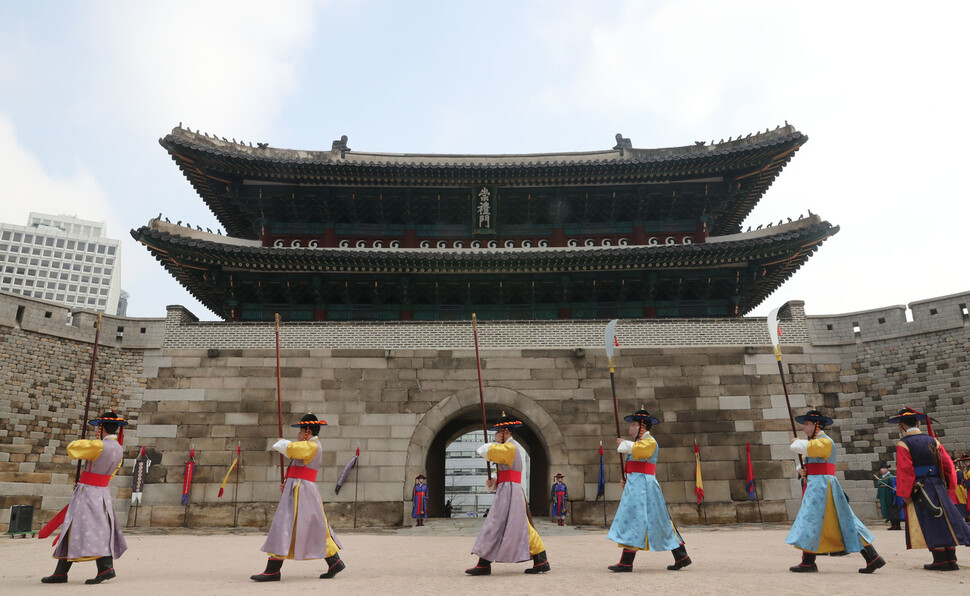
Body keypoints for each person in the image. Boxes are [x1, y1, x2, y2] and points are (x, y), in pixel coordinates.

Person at [786, 409, 885, 574]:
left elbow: (802, 447)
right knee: (824, 520)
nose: (804, 427)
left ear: (817, 425)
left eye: (807, 424)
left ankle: (809, 562)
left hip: (823, 486)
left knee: (815, 519)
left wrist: (796, 442)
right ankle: (872, 557)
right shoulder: (816, 442)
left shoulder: (825, 441)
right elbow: (806, 460)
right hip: (817, 484)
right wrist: (801, 470)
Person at [251, 413, 344, 582]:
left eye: (300, 432)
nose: (298, 435)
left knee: (283, 524)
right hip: (300, 490)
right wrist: (287, 482)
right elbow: (298, 468)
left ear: (307, 432)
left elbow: (292, 450)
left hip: (302, 492)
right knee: (316, 527)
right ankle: (334, 561)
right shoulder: (310, 446)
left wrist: (282, 442)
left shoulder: (312, 445)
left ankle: (273, 570)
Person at [41, 411, 129, 584]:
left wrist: (87, 480)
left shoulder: (98, 445)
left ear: (102, 428)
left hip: (88, 493)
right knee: (80, 526)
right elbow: (110, 473)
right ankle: (62, 572)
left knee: (81, 526)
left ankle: (105, 567)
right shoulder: (119, 448)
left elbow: (73, 449)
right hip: (101, 492)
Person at [606, 407, 691, 573]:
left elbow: (638, 451)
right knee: (655, 519)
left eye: (634, 424)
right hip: (638, 484)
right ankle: (681, 555)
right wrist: (627, 478)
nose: (631, 427)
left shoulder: (649, 442)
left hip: (644, 486)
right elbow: (635, 462)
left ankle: (626, 562)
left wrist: (623, 444)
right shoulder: (639, 443)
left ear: (641, 427)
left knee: (637, 518)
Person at [465, 412, 550, 575]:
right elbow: (503, 470)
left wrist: (488, 447)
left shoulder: (510, 447)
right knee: (519, 525)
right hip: (508, 489)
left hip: (510, 491)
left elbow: (486, 450)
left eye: (498, 432)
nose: (496, 435)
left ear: (506, 432)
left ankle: (484, 563)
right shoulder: (508, 448)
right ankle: (541, 559)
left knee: (495, 523)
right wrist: (494, 481)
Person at [889, 407, 970, 571]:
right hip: (939, 485)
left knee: (931, 520)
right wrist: (950, 485)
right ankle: (951, 558)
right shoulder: (934, 441)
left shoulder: (904, 443)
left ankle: (940, 560)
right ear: (918, 422)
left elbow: (905, 470)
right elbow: (947, 465)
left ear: (902, 425)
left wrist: (905, 493)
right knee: (946, 519)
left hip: (921, 487)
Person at [874, 463, 900, 530]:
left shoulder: (890, 476)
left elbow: (894, 485)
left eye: (884, 468)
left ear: (887, 469)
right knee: (886, 510)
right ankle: (892, 524)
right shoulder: (881, 477)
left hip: (889, 495)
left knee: (892, 509)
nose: (882, 469)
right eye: (881, 468)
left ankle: (896, 525)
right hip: (883, 495)